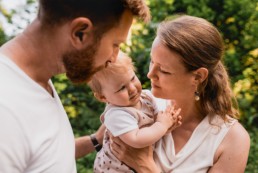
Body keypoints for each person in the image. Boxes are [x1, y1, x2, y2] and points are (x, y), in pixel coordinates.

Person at [0, 0, 150, 172]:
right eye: (115, 44)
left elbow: (45, 157)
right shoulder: (5, 106)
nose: (113, 58)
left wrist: (96, 139)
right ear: (80, 33)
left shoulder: (37, 81)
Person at [110, 15, 250, 173]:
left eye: (163, 70)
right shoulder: (139, 105)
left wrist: (145, 166)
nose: (150, 74)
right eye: (152, 61)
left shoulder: (233, 140)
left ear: (197, 76)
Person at [88, 52, 182, 173]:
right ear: (103, 97)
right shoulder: (116, 114)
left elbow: (154, 125)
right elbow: (137, 139)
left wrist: (169, 122)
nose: (132, 88)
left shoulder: (147, 97)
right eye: (122, 88)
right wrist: (161, 125)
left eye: (132, 78)